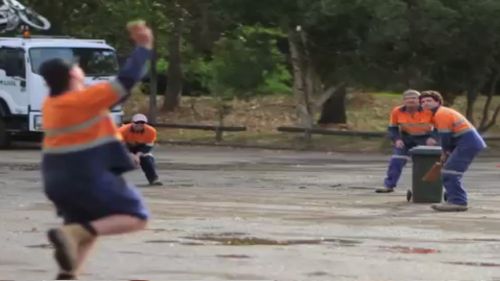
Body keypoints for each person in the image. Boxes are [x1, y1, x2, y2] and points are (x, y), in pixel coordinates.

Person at [40, 20, 154, 279]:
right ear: (72, 76)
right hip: (87, 176)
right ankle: (73, 234)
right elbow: (126, 80)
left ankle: (68, 274)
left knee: (85, 227)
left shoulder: (51, 104)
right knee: (136, 216)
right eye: (77, 68)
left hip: (57, 181)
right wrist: (144, 46)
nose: (81, 70)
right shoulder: (83, 99)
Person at [420, 90, 486, 212]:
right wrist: (447, 152)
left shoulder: (441, 113)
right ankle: (453, 199)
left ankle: (458, 202)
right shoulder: (437, 114)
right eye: (423, 102)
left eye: (429, 100)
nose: (425, 103)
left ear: (438, 102)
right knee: (450, 171)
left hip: (467, 143)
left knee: (450, 172)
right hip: (465, 143)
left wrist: (445, 152)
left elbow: (445, 136)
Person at [375, 89, 438, 193]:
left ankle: (428, 188)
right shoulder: (397, 111)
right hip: (406, 138)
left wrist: (433, 137)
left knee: (428, 164)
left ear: (419, 100)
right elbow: (392, 128)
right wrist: (397, 139)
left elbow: (439, 127)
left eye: (414, 98)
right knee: (396, 160)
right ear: (403, 101)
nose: (411, 101)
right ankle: (389, 185)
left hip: (425, 139)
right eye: (408, 99)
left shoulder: (429, 110)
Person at [119, 113, 163, 186]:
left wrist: (138, 155)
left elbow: (148, 146)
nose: (139, 125)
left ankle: (153, 179)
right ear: (132, 123)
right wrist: (130, 155)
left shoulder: (151, 131)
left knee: (147, 159)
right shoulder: (122, 131)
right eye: (137, 123)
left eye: (142, 123)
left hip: (141, 147)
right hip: (124, 147)